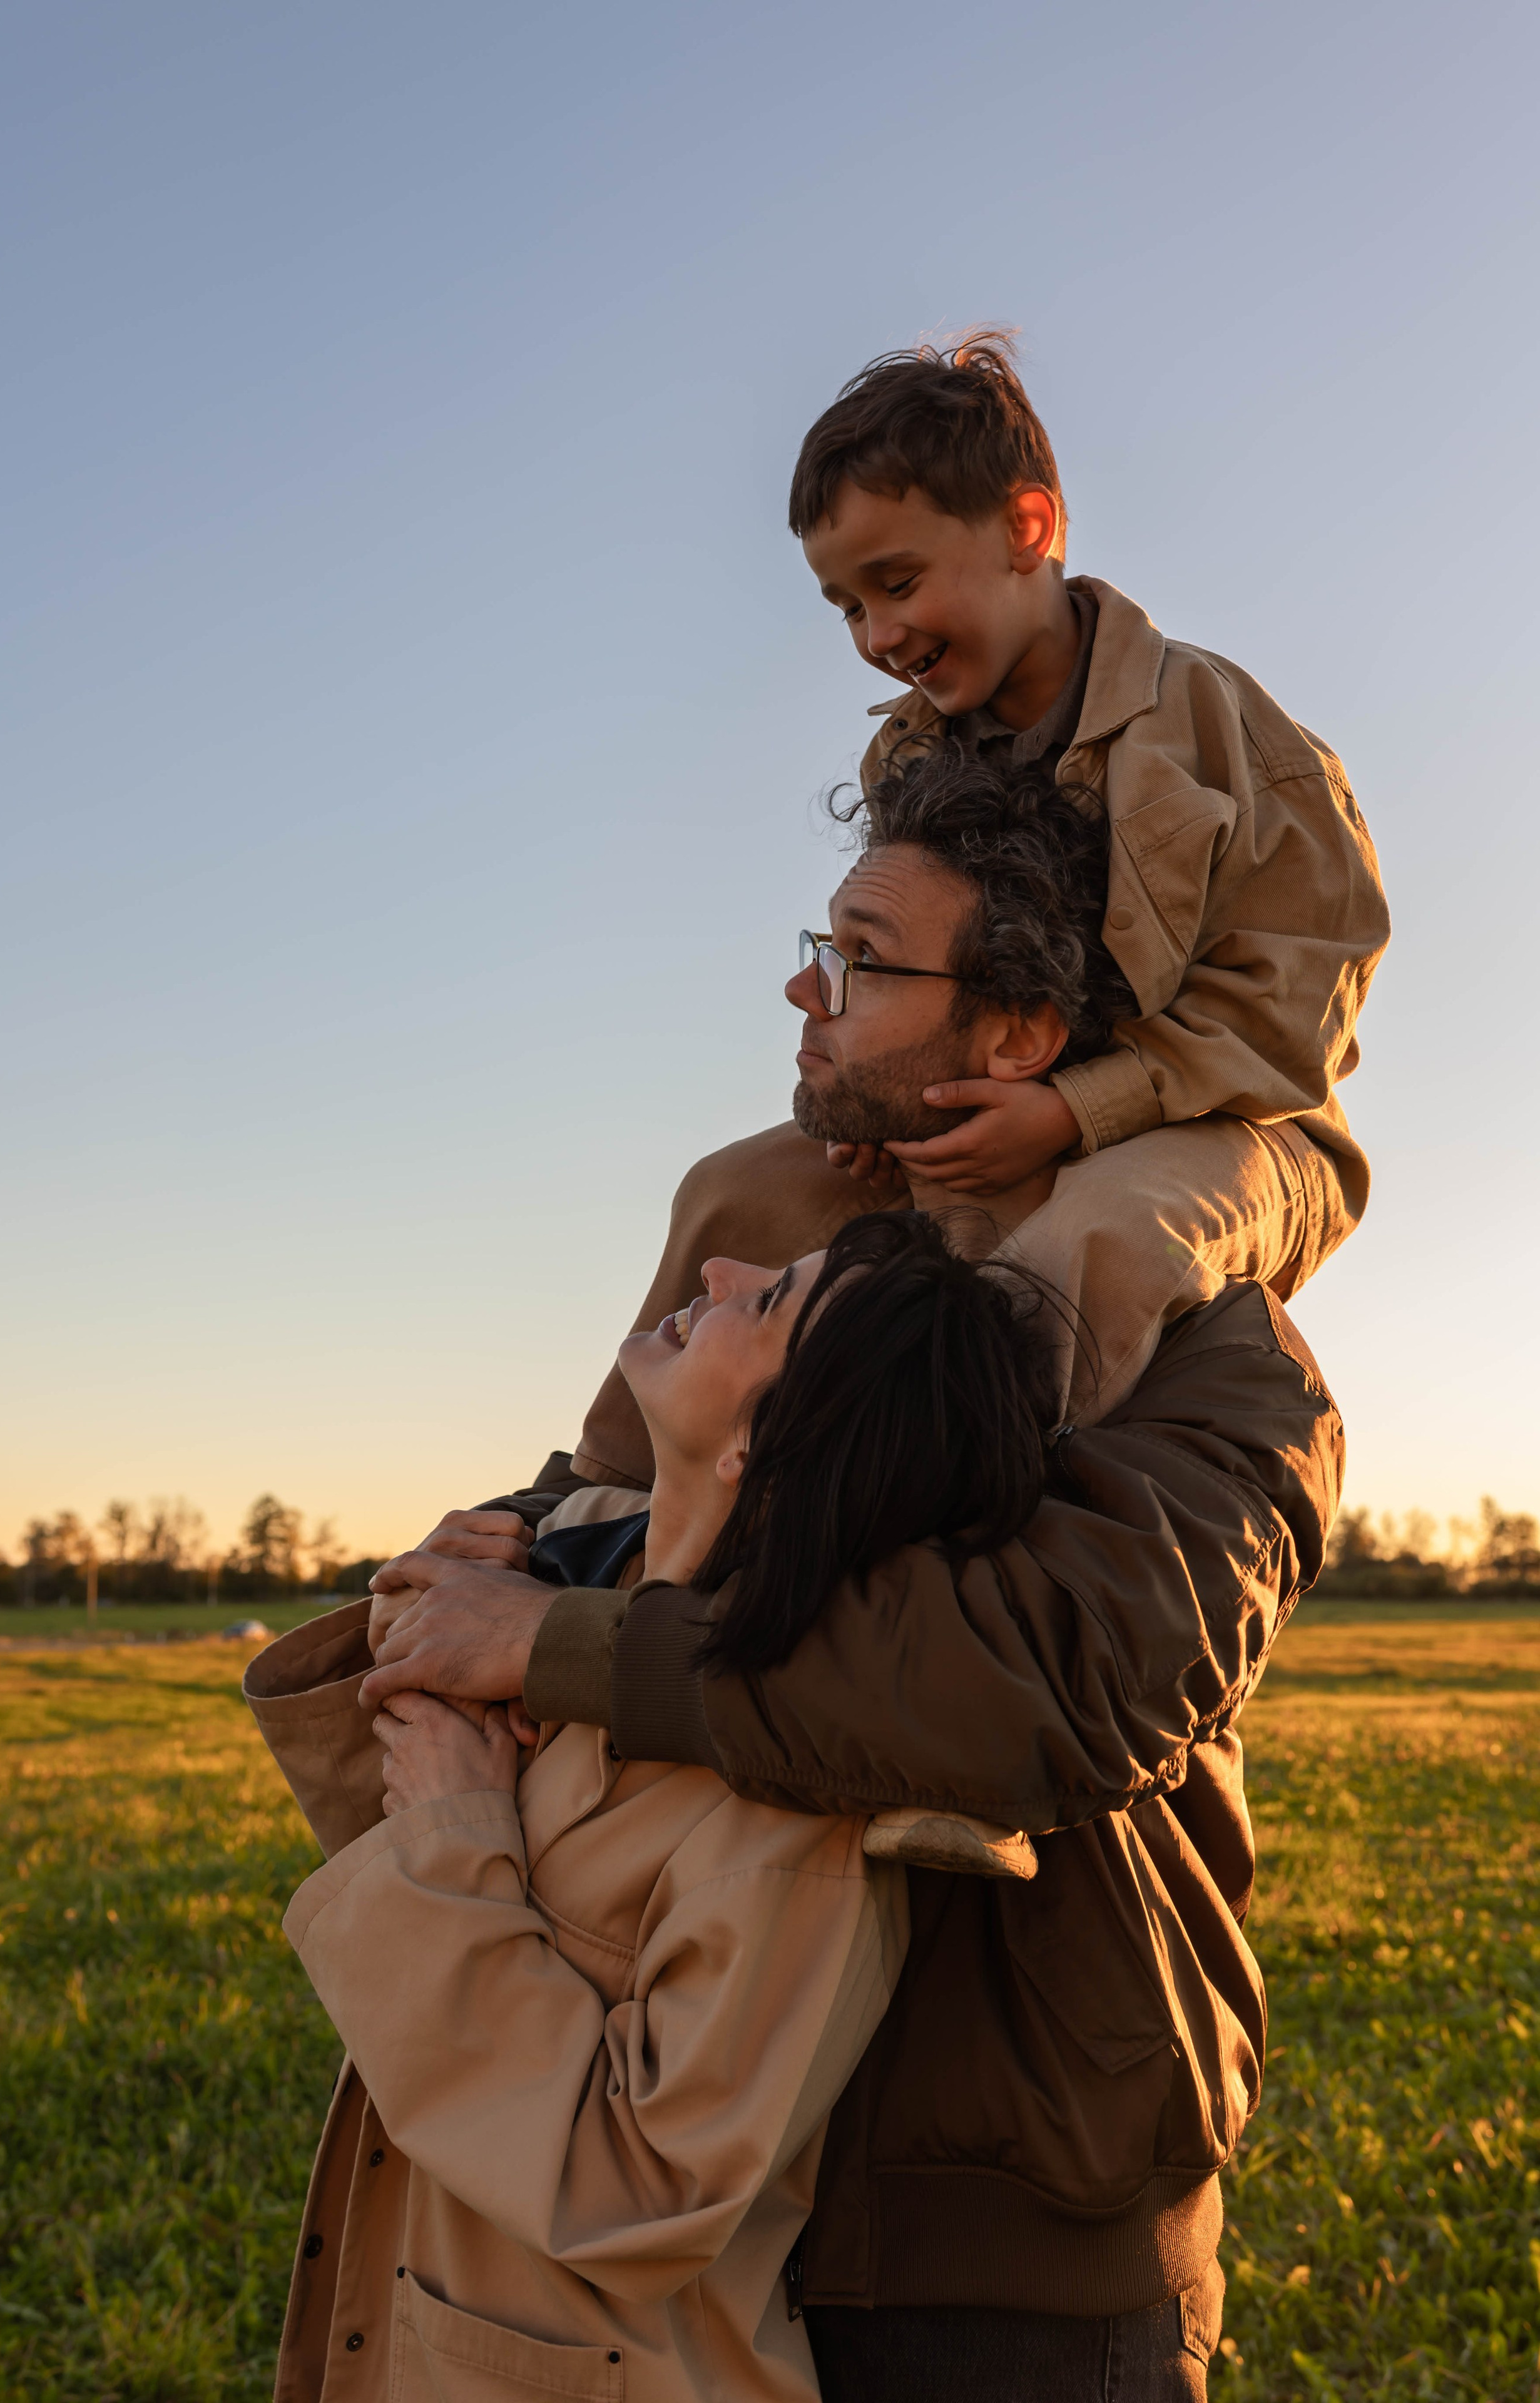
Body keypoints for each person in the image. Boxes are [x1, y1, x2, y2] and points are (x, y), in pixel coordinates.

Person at [359, 777, 1349, 2393]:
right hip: (736, 2245)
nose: (807, 988)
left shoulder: (1222, 1350)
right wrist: (484, 1552)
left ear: (1023, 1033)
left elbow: (1041, 1679)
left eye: (864, 956)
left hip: (1018, 2254)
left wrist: (562, 1645)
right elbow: (599, 1495)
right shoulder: (784, 1243)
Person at [246, 1211, 1054, 2402]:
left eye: (769, 1302)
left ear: (766, 1447)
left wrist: (451, 1840)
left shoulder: (795, 1822)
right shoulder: (559, 1605)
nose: (718, 1270)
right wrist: (408, 1634)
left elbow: (644, 2193)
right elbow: (410, 1874)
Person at [567, 331, 1389, 1491]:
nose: (877, 636)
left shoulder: (1232, 740)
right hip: (982, 1114)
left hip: (1236, 1135)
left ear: (1029, 530)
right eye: (845, 606)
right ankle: (591, 1511)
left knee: (1093, 1234)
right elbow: (897, 972)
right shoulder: (902, 758)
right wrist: (881, 1090)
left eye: (896, 584)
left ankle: (952, 1518)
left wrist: (1072, 1110)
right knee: (737, 1191)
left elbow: (1292, 1025)